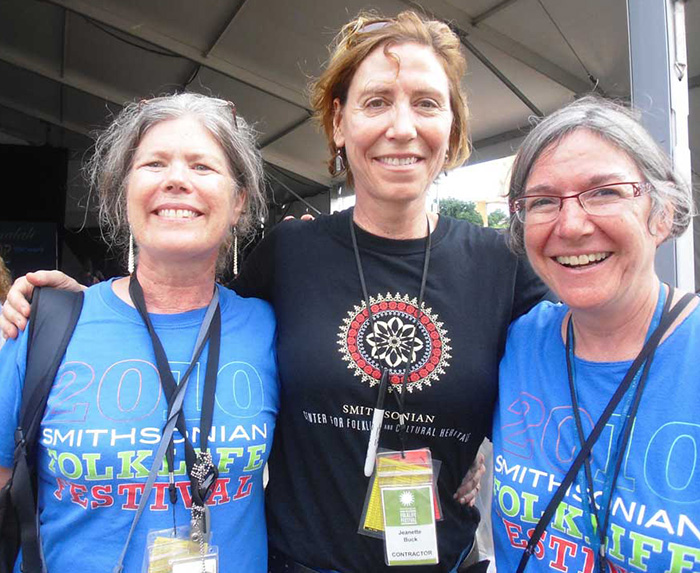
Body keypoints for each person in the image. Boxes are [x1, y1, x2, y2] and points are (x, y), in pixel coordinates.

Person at [1, 12, 547, 572]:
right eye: (377, 101)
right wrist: (75, 308)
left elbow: (577, 362)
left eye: (427, 103)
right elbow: (181, 300)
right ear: (339, 123)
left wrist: (490, 448)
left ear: (453, 125)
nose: (402, 127)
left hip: (444, 560)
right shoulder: (289, 256)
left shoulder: (501, 265)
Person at [0, 93, 279, 572]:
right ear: (120, 193)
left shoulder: (268, 326)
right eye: (154, 164)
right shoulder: (42, 326)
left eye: (202, 167)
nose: (176, 180)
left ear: (238, 203)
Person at [491, 96, 699, 572]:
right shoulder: (518, 345)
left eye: (605, 192)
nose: (571, 225)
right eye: (543, 202)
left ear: (662, 213)